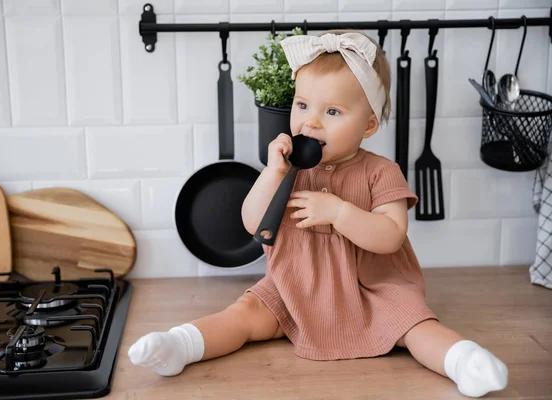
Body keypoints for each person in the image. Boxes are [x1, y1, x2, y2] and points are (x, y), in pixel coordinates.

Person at [128, 30, 508, 398]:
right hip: (295, 286)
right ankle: (180, 345)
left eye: (332, 111)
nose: (311, 122)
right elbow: (252, 222)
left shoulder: (381, 172)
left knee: (415, 324)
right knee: (244, 312)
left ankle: (462, 361)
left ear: (369, 125)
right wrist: (273, 172)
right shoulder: (289, 167)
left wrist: (340, 212)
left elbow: (391, 234)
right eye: (303, 105)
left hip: (371, 290)